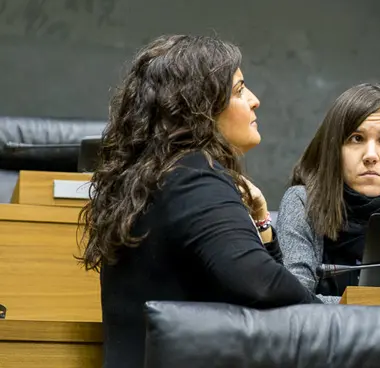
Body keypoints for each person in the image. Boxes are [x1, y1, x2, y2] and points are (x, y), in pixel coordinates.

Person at [78, 35, 319, 368]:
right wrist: (338, 322)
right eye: (238, 90)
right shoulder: (194, 178)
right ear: (199, 108)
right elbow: (263, 287)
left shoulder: (152, 178)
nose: (254, 100)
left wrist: (262, 221)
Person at [275, 83, 380, 301]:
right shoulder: (302, 202)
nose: (371, 155)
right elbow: (295, 301)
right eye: (356, 138)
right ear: (333, 150)